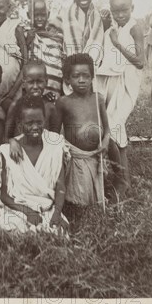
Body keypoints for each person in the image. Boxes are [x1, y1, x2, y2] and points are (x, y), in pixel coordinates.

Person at [0, 97, 68, 234]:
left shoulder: (55, 146)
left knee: (57, 232)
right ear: (19, 124)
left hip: (46, 207)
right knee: (11, 229)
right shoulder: (7, 151)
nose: (35, 127)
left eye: (39, 122)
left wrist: (57, 213)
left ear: (45, 120)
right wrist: (28, 212)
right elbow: (4, 195)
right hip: (17, 208)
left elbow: (61, 186)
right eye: (29, 123)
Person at [96, 0, 144, 191]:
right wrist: (108, 23)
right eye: (115, 11)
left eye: (124, 10)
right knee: (114, 127)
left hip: (128, 83)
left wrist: (118, 45)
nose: (120, 15)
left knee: (114, 126)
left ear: (132, 8)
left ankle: (121, 180)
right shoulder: (113, 26)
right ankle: (123, 178)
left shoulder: (135, 28)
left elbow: (140, 62)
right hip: (112, 81)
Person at [54, 53, 110, 210]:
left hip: (96, 156)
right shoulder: (64, 102)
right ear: (67, 80)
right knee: (80, 203)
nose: (81, 80)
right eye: (76, 76)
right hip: (76, 158)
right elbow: (54, 134)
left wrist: (105, 142)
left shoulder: (98, 98)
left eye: (86, 75)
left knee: (95, 200)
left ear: (92, 77)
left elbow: (107, 130)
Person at [4, 60, 60, 162]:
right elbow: (7, 136)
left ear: (46, 81)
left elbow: (55, 139)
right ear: (24, 83)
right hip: (20, 157)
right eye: (30, 82)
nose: (35, 86)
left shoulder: (50, 107)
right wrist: (12, 142)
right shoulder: (16, 105)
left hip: (44, 160)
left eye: (39, 82)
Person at [49, 0, 104, 69]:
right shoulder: (62, 17)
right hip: (70, 72)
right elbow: (53, 44)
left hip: (95, 71)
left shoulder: (100, 18)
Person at [26, 0, 64, 101]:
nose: (39, 18)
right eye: (35, 15)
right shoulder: (25, 35)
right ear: (29, 15)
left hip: (54, 92)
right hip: (32, 91)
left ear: (48, 14)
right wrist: (27, 42)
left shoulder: (57, 38)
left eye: (43, 14)